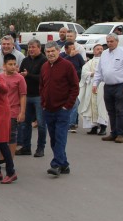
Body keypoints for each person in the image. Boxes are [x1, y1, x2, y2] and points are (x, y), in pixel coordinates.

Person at [40, 41, 79, 176]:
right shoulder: (44, 66)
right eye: (48, 52)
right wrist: (43, 103)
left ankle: (56, 165)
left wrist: (67, 105)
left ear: (58, 51)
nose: (50, 54)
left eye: (53, 51)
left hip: (62, 109)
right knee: (54, 139)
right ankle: (64, 165)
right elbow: (42, 86)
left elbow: (75, 87)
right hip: (48, 109)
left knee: (60, 137)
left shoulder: (67, 66)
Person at [93, 34, 123, 143]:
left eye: (111, 41)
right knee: (111, 111)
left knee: (120, 110)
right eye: (108, 41)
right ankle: (113, 132)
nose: (109, 43)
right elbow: (99, 70)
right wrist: (95, 84)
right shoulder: (104, 54)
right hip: (108, 86)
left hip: (121, 85)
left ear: (117, 41)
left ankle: (121, 134)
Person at [16, 39, 47, 157]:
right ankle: (26, 147)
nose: (31, 49)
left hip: (39, 96)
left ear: (39, 48)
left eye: (33, 47)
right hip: (26, 96)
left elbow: (42, 78)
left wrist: (28, 75)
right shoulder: (25, 60)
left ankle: (40, 148)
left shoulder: (44, 61)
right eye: (29, 47)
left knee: (41, 123)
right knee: (24, 123)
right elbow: (20, 74)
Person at [78, 44, 109, 136]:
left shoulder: (106, 61)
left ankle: (103, 126)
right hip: (91, 87)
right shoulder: (89, 63)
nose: (100, 51)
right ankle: (94, 127)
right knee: (90, 106)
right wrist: (92, 74)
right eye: (97, 49)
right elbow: (84, 72)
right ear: (93, 51)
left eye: (101, 49)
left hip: (102, 87)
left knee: (102, 106)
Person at [2, 53, 27, 156]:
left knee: (12, 135)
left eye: (14, 64)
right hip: (1, 112)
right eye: (10, 64)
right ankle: (1, 158)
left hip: (13, 111)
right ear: (4, 65)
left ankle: (10, 159)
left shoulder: (20, 78)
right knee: (1, 135)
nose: (13, 67)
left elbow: (23, 95)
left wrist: (22, 112)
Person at [61, 41, 85, 132]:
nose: (74, 50)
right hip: (64, 83)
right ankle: (71, 121)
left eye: (74, 48)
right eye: (71, 48)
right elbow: (60, 65)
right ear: (66, 49)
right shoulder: (62, 56)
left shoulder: (78, 56)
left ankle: (72, 123)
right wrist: (69, 56)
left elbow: (84, 67)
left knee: (75, 102)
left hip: (76, 82)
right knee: (68, 102)